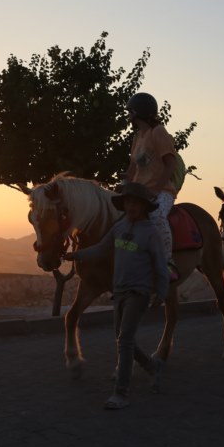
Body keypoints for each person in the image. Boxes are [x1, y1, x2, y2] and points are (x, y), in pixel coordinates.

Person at [62, 182, 169, 410]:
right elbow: (101, 248)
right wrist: (76, 255)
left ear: (143, 207)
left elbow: (160, 265)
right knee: (123, 340)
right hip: (119, 291)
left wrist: (160, 292)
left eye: (135, 203)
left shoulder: (150, 233)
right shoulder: (119, 228)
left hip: (138, 292)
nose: (131, 206)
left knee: (125, 340)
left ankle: (121, 393)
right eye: (128, 202)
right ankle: (153, 367)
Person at [124, 92, 179, 280]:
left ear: (139, 112)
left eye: (130, 111)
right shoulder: (137, 137)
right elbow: (132, 169)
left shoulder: (158, 132)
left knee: (156, 216)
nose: (128, 115)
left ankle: (167, 263)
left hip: (162, 191)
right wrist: (123, 185)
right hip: (139, 193)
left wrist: (156, 189)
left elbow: (171, 164)